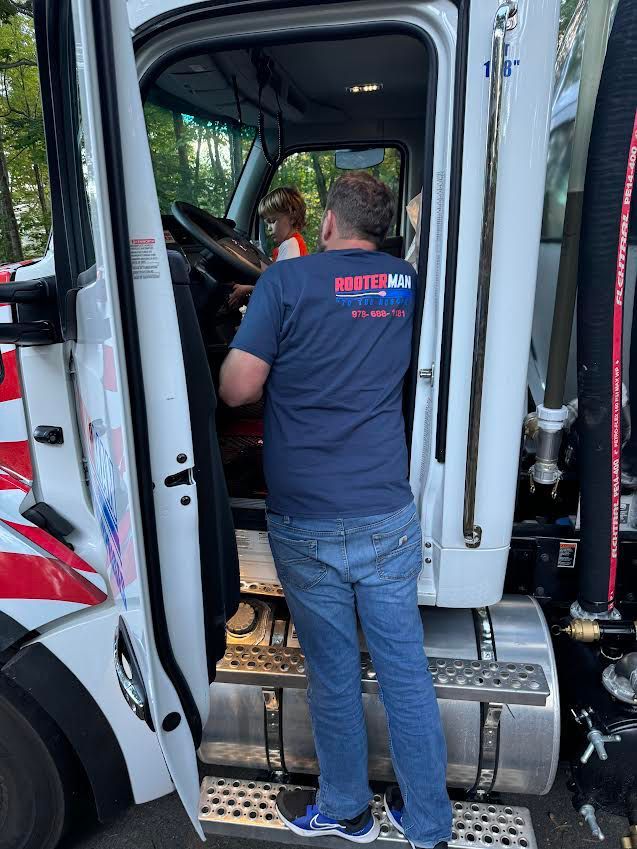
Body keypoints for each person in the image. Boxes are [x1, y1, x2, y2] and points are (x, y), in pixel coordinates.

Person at [219, 171, 451, 849]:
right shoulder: (408, 281)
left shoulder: (284, 282)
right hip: (384, 510)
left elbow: (237, 389)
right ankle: (429, 823)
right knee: (404, 671)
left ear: (324, 224)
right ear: (381, 230)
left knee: (332, 671)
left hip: (308, 517)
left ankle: (346, 810)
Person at [228, 185, 308, 308]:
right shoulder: (292, 243)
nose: (269, 229)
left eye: (272, 221)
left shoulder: (290, 245)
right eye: (267, 224)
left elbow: (281, 290)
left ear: (292, 217)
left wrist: (248, 289)